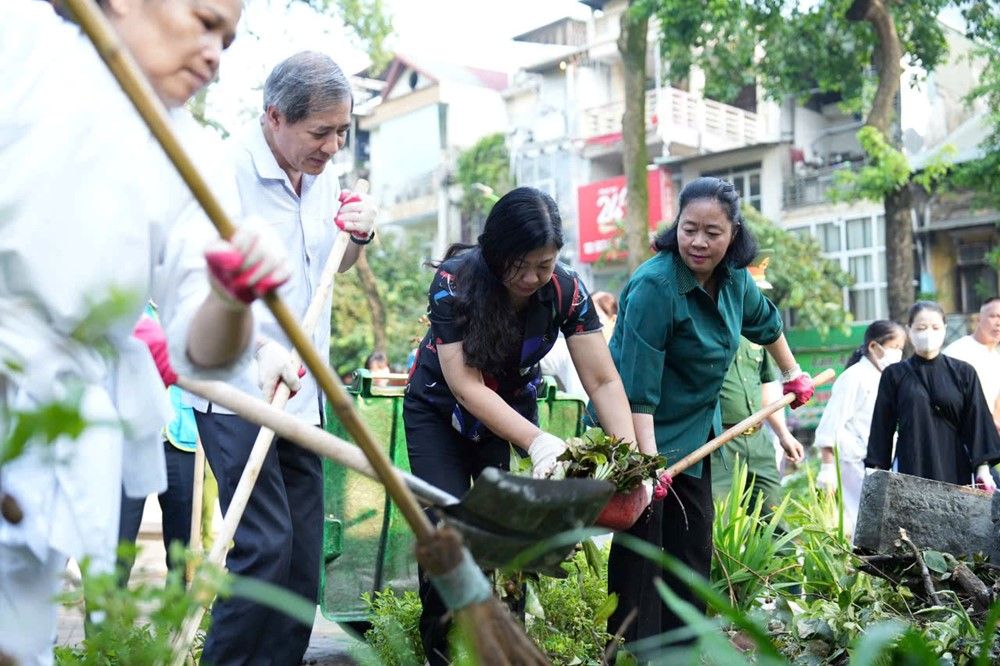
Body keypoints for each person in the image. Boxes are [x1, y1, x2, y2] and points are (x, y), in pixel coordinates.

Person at [0, 2, 292, 664]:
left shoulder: (190, 155)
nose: (216, 52)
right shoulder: (17, 43)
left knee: (17, 636)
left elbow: (204, 349)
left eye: (228, 38)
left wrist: (230, 297)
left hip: (51, 418)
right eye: (205, 19)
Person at [188, 51, 379, 665]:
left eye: (341, 132)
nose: (332, 147)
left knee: (301, 562)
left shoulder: (321, 173)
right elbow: (192, 287)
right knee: (265, 545)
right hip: (238, 383)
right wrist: (262, 348)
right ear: (274, 116)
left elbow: (333, 266)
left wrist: (358, 238)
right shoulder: (221, 173)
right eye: (320, 132)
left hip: (304, 392)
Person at [403, 187, 637, 665]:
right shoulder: (455, 281)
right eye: (521, 266)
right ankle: (441, 654)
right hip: (438, 413)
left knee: (502, 538)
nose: (532, 277)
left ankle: (497, 655)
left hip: (505, 417)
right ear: (496, 252)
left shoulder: (566, 291)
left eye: (544, 265)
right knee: (444, 530)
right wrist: (538, 441)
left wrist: (631, 458)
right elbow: (465, 386)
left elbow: (603, 379)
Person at [602, 176, 814, 652]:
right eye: (689, 228)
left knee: (691, 545)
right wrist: (647, 464)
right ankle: (630, 653)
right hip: (640, 434)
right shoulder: (656, 286)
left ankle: (683, 650)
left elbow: (768, 324)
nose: (698, 242)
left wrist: (792, 374)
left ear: (733, 234)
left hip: (696, 435)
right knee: (642, 550)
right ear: (676, 226)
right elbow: (638, 391)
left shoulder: (737, 280)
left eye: (712, 232)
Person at [866, 301, 1000, 490]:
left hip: (955, 466)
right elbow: (882, 427)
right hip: (911, 465)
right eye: (921, 327)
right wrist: (876, 471)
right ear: (909, 330)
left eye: (935, 327)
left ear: (944, 329)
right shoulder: (894, 375)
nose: (928, 332)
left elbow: (977, 423)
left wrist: (983, 469)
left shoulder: (963, 373)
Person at [710, 255, 805, 510]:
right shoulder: (709, 332)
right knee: (719, 520)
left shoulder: (762, 336)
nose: (757, 303)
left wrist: (784, 435)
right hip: (719, 442)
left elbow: (766, 388)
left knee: (771, 514)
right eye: (754, 295)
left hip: (758, 439)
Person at [117, 307, 202, 583]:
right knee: (120, 540)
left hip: (182, 439)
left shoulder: (190, 304)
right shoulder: (130, 306)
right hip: (135, 437)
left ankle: (175, 621)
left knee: (180, 547)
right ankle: (105, 621)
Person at [814, 320, 906, 534]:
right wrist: (827, 469)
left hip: (876, 462)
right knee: (856, 522)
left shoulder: (883, 377)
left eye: (901, 348)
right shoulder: (853, 377)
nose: (898, 353)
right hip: (852, 461)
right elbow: (831, 424)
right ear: (874, 347)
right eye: (894, 347)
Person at [539, 290, 618, 398]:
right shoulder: (571, 348)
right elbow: (535, 354)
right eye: (586, 317)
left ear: (613, 320)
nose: (590, 324)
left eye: (597, 317)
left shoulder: (622, 355)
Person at [944, 297, 1000, 434]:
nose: (998, 323)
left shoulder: (996, 357)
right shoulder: (957, 352)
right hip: (959, 434)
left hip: (987, 436)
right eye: (994, 316)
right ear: (979, 320)